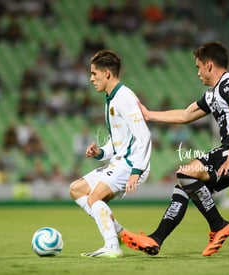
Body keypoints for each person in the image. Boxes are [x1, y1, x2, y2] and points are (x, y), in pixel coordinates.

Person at [121, 41, 229, 257]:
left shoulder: (228, 83)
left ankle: (218, 226)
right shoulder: (212, 93)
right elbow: (185, 115)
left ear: (209, 65)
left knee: (185, 173)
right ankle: (156, 238)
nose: (197, 72)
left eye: (198, 67)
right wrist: (149, 115)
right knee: (184, 183)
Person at [69, 50, 152, 258]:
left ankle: (112, 246)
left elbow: (144, 135)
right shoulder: (112, 98)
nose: (90, 78)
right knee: (77, 189)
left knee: (94, 198)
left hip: (130, 164)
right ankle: (122, 234)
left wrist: (136, 170)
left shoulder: (124, 97)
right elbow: (120, 141)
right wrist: (100, 152)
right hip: (120, 161)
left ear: (107, 73)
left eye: (94, 74)